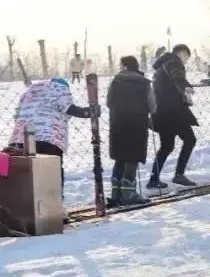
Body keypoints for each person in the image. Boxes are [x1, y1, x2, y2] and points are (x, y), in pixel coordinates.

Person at [7, 76, 97, 189]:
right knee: (52, 173)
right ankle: (53, 202)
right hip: (48, 139)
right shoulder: (60, 88)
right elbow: (69, 108)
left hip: (20, 140)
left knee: (25, 174)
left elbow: (17, 116)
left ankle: (26, 202)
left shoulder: (28, 92)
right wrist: (89, 112)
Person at [148, 44, 198, 190]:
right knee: (190, 140)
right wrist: (185, 86)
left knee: (166, 146)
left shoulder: (160, 67)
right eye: (186, 57)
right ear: (181, 53)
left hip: (160, 112)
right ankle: (179, 174)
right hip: (174, 112)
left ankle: (153, 179)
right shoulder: (174, 62)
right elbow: (177, 75)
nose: (186, 61)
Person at [106, 56, 154, 205]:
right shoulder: (145, 83)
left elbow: (109, 102)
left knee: (120, 156)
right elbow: (153, 106)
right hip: (137, 124)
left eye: (121, 65)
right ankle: (128, 194)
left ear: (125, 66)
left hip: (118, 123)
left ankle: (116, 193)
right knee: (132, 157)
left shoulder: (116, 81)